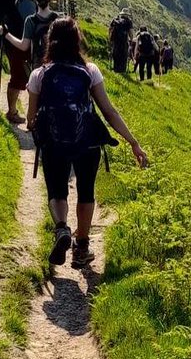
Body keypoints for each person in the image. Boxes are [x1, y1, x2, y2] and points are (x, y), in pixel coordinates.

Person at [27, 17, 148, 266]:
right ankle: (81, 248)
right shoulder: (89, 71)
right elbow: (109, 111)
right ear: (77, 40)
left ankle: (62, 228)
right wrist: (133, 142)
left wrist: (40, 128)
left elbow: (31, 117)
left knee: (58, 191)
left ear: (51, 41)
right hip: (88, 142)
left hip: (54, 143)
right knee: (86, 192)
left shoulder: (39, 75)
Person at [0, 0, 37, 123]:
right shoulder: (28, 2)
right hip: (21, 45)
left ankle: (13, 111)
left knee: (18, 76)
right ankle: (12, 112)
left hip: (12, 43)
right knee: (19, 78)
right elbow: (31, 25)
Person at [2, 0, 58, 70]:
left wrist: (6, 34)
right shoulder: (57, 19)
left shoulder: (31, 20)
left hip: (38, 68)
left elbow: (24, 46)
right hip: (56, 67)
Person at [107, 8, 133, 74]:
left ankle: (115, 69)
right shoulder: (128, 21)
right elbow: (130, 33)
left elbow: (110, 29)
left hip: (115, 41)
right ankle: (122, 70)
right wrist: (131, 40)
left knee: (116, 54)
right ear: (127, 15)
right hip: (124, 41)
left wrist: (110, 38)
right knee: (123, 55)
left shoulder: (115, 20)